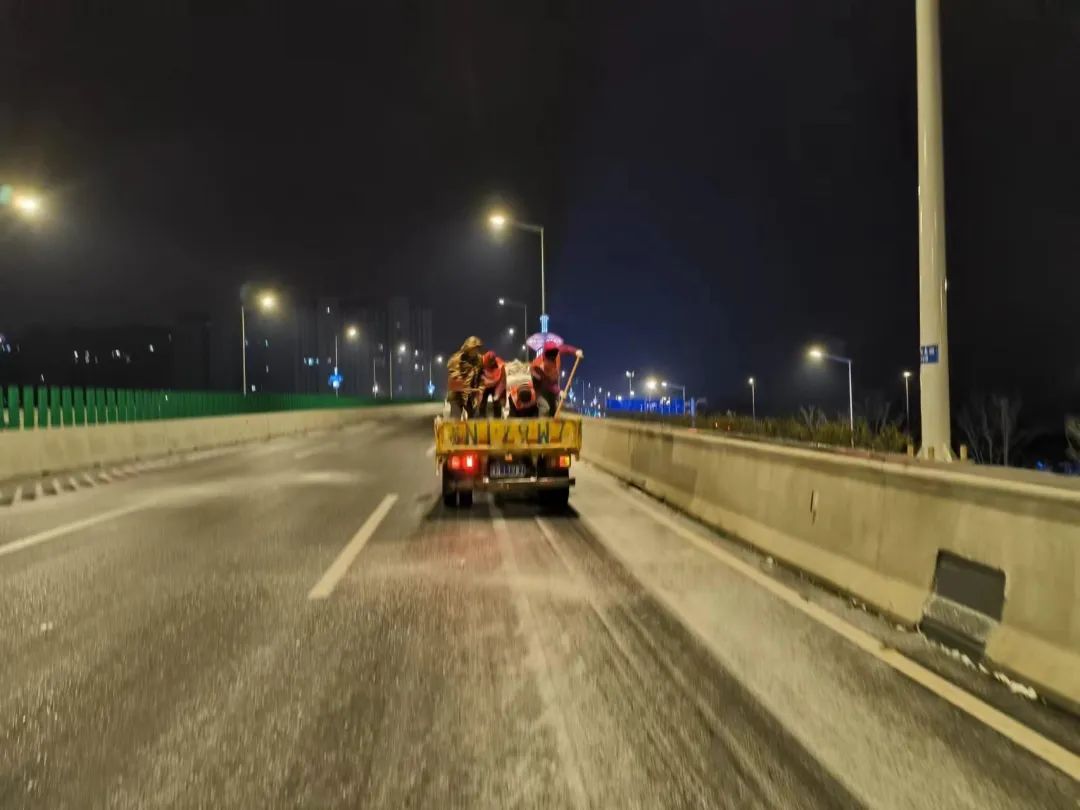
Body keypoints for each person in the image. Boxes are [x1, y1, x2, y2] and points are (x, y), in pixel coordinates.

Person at [530, 339, 583, 415]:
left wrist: (575, 351)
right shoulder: (541, 365)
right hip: (538, 386)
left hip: (551, 383)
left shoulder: (555, 352)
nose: (554, 357)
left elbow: (565, 348)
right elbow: (547, 383)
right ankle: (541, 421)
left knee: (554, 407)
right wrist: (559, 391)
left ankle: (552, 419)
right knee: (545, 407)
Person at [446, 336, 484, 418]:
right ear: (468, 348)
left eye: (477, 348)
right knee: (455, 419)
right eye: (473, 348)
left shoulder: (479, 359)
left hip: (471, 394)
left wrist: (480, 387)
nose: (475, 351)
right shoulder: (457, 359)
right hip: (457, 394)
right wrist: (461, 383)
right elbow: (453, 374)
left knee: (474, 419)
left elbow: (481, 375)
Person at [477, 351, 506, 417]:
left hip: (496, 386)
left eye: (491, 363)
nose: (489, 365)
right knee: (482, 403)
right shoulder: (480, 363)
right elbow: (477, 378)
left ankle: (497, 420)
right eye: (488, 364)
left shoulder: (500, 365)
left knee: (497, 403)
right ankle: (482, 419)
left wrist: (497, 394)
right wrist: (479, 392)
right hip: (484, 386)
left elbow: (502, 381)